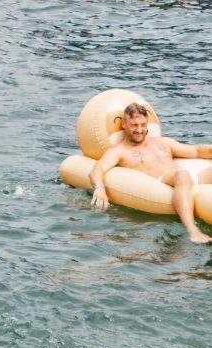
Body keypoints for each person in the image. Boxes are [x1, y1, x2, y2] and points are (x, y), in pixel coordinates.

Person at [90, 102, 212, 244]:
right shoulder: (119, 151)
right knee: (181, 175)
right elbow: (97, 169)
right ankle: (192, 230)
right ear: (124, 124)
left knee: (185, 174)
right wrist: (99, 188)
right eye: (134, 125)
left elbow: (196, 151)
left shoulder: (162, 142)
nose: (140, 130)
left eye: (143, 125)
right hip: (167, 180)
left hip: (189, 176)